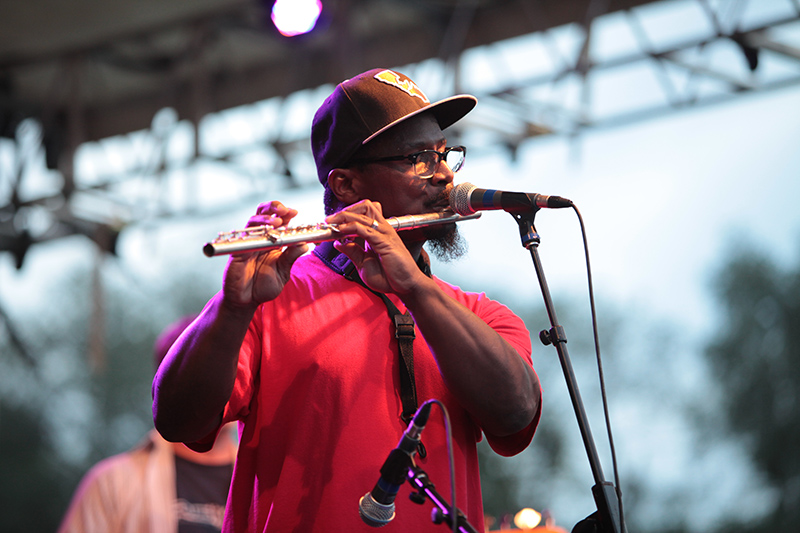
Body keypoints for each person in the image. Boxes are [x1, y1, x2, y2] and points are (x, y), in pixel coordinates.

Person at [152, 68, 542, 532]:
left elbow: (515, 414)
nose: (443, 174)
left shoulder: (482, 316)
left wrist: (414, 288)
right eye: (417, 158)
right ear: (346, 187)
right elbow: (177, 420)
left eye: (444, 153)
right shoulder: (272, 297)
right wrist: (231, 309)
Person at [59, 316, 238, 533]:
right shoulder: (113, 485)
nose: (218, 388)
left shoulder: (267, 484)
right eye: (201, 373)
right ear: (166, 386)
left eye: (230, 370)